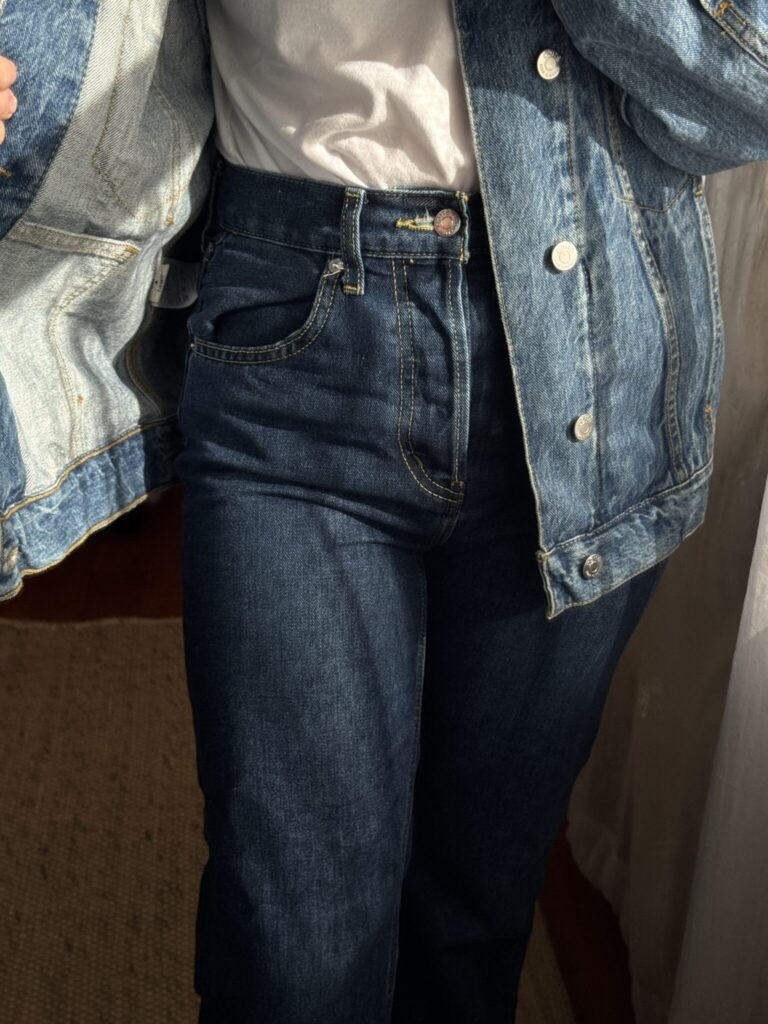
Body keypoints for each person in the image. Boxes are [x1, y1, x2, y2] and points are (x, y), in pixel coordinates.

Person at [1, 3, 766, 1023]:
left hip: (585, 370)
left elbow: (739, 99)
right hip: (291, 337)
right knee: (291, 940)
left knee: (472, 918)